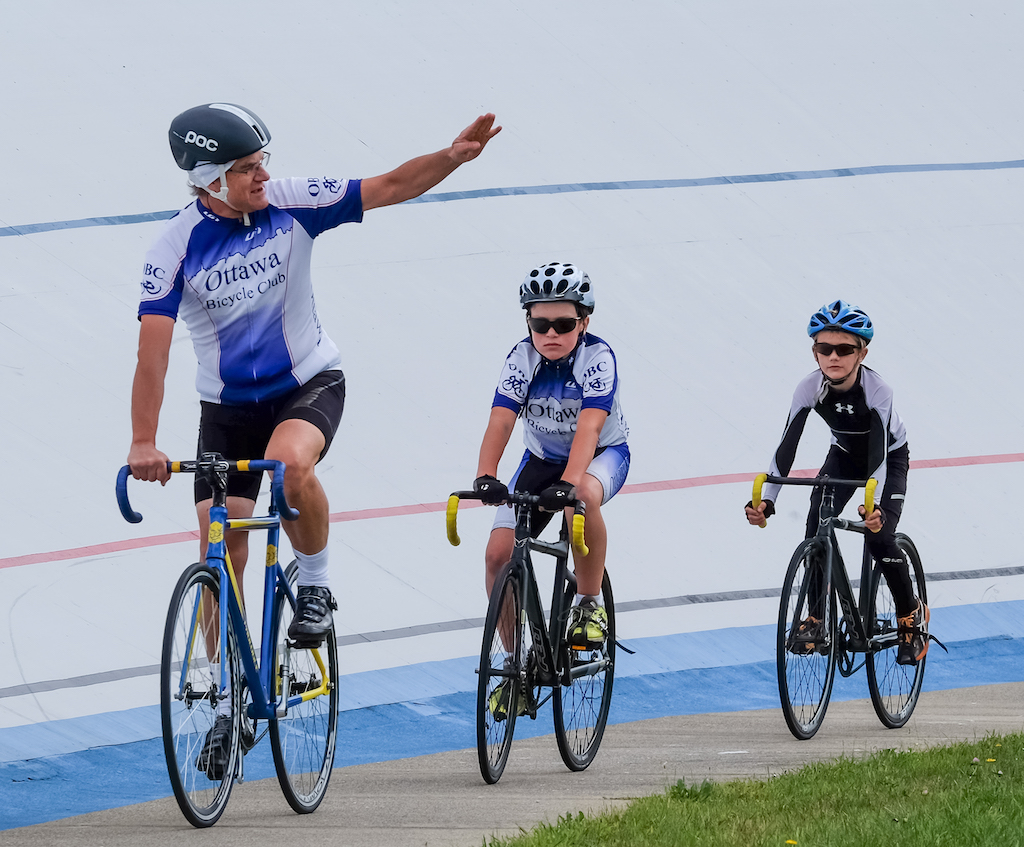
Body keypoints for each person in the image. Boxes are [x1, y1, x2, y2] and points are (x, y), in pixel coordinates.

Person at [127, 104, 499, 688]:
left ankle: (315, 584)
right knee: (219, 549)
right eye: (248, 167)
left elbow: (390, 186)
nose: (263, 176)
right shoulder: (172, 251)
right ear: (209, 178)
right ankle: (223, 689)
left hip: (308, 385)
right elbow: (153, 356)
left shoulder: (291, 201)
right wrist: (143, 441)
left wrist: (451, 158)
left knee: (290, 465)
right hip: (226, 411)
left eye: (263, 162)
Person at [744, 299, 928, 665]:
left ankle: (911, 615)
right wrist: (768, 500)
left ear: (862, 353)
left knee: (877, 535)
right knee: (817, 520)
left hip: (888, 459)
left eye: (844, 349)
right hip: (843, 454)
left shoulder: (878, 390)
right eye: (823, 348)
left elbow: (877, 451)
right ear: (814, 353)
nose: (833, 357)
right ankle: (816, 616)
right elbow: (786, 448)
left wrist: (872, 508)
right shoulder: (809, 387)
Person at [473, 262, 630, 674]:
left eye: (563, 323)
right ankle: (512, 663)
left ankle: (588, 604)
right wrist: (485, 473)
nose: (551, 335)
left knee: (581, 498)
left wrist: (569, 483)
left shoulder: (597, 357)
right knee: (497, 555)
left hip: (600, 455)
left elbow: (590, 427)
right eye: (541, 324)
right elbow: (502, 419)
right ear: (528, 321)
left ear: (584, 321)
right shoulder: (521, 357)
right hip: (541, 459)